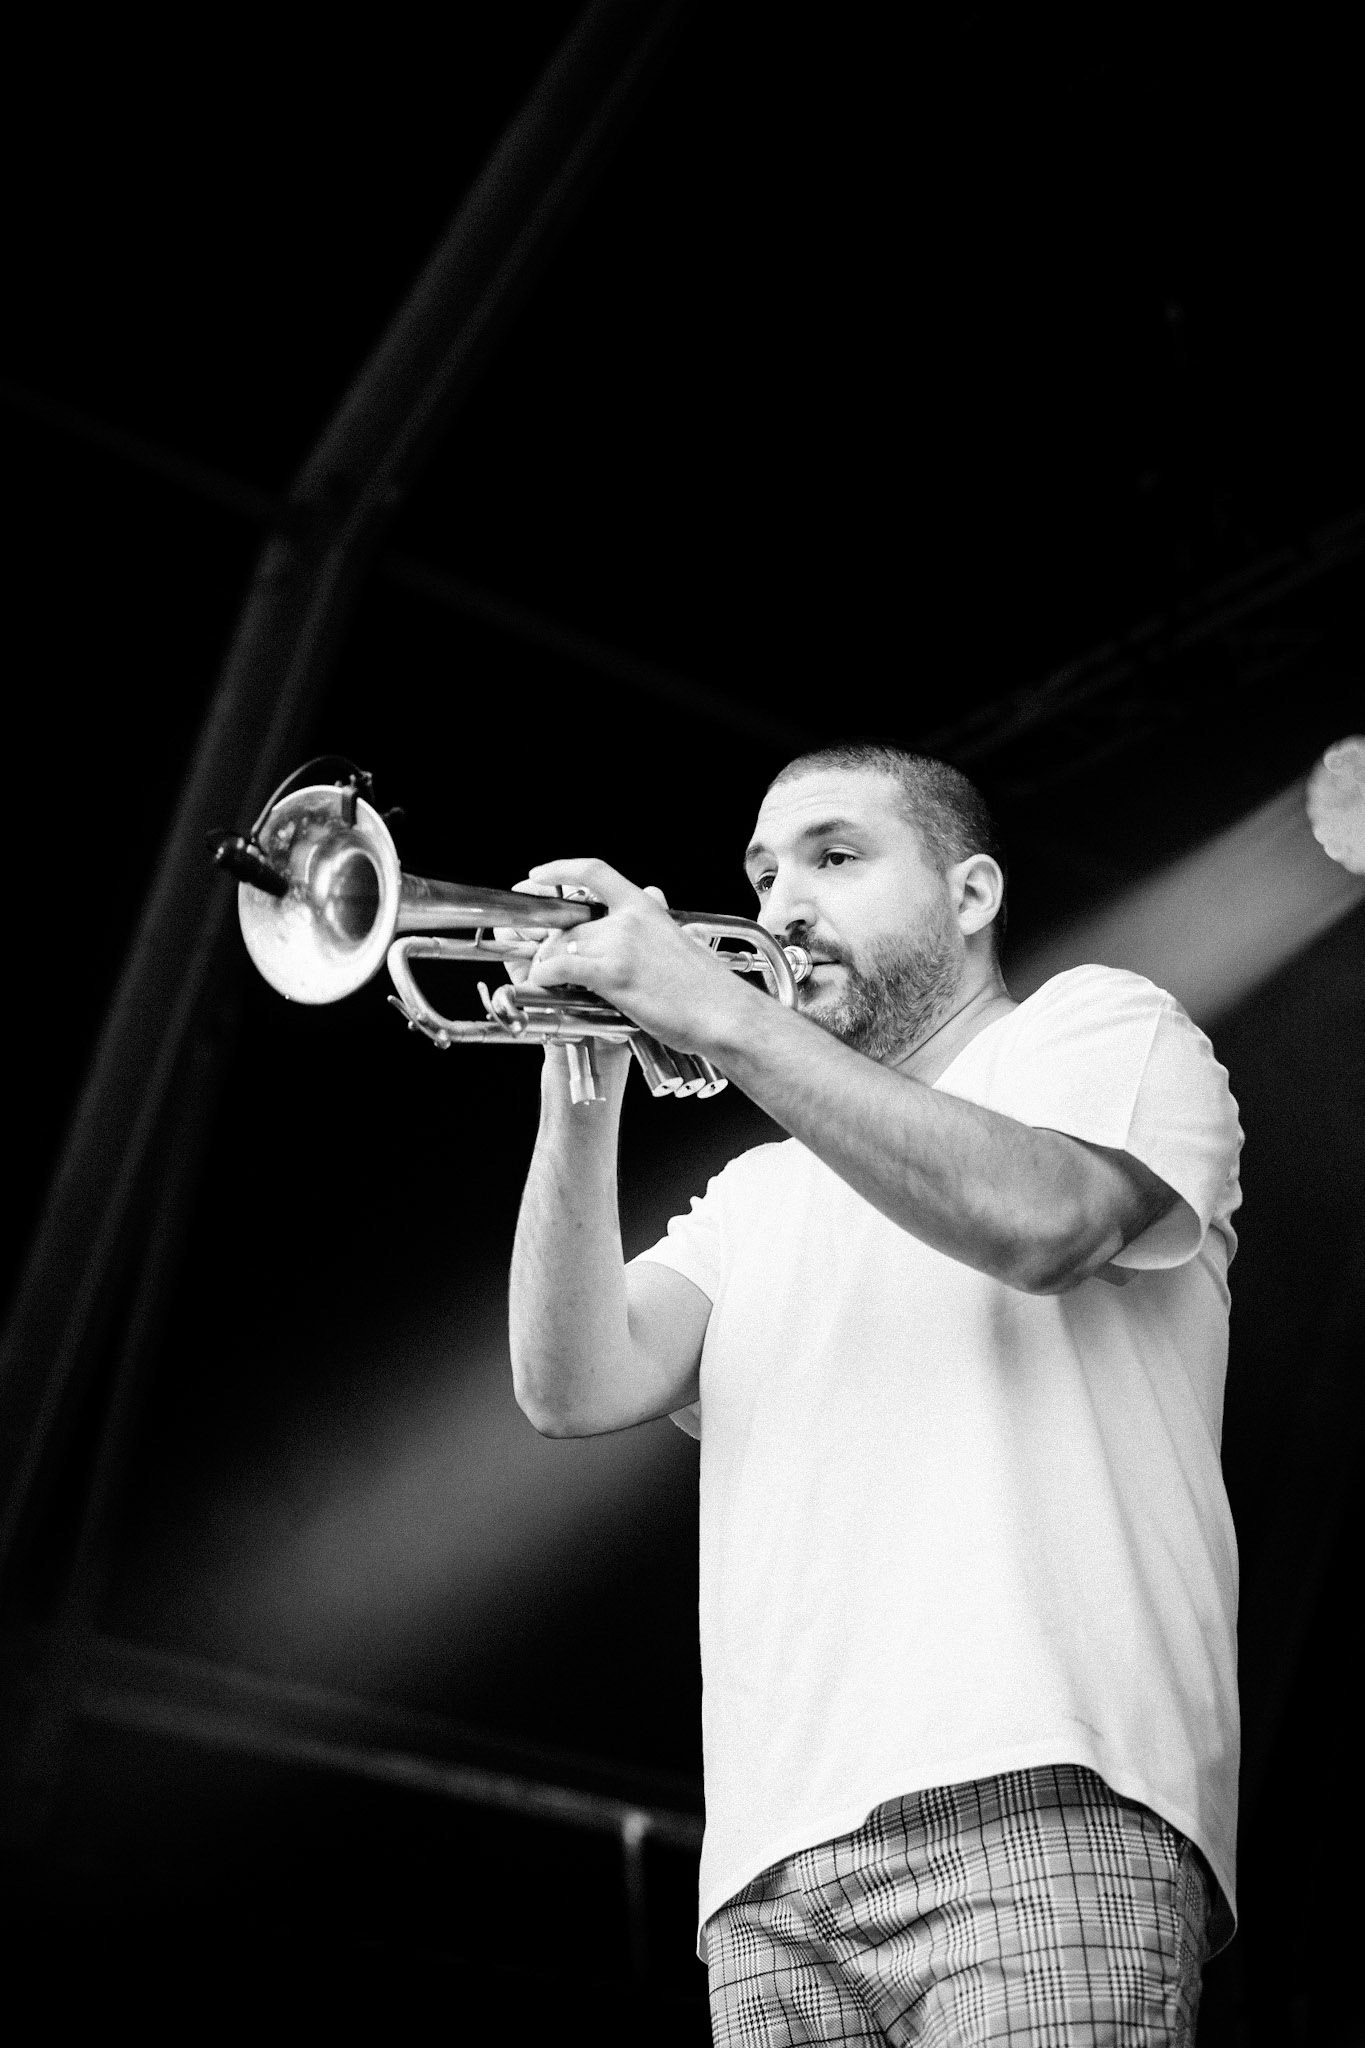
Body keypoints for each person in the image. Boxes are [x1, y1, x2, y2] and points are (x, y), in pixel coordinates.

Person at [505, 741, 1242, 2046]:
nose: (782, 903)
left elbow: (1040, 1220)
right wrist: (584, 1072)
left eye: (835, 858)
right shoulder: (758, 1193)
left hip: (1040, 1798)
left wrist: (721, 1016)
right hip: (769, 1873)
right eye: (762, 870)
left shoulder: (1098, 1030)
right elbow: (571, 1384)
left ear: (969, 894)